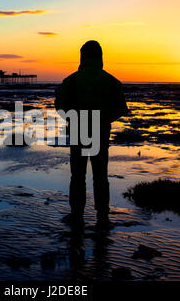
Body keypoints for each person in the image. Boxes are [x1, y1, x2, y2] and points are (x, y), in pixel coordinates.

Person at [55, 40, 128, 227]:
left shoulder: (71, 81)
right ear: (100, 56)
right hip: (100, 132)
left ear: (82, 56)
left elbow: (60, 105)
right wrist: (105, 119)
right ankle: (102, 217)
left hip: (79, 131)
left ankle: (77, 215)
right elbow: (121, 108)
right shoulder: (111, 81)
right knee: (100, 176)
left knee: (77, 175)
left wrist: (73, 118)